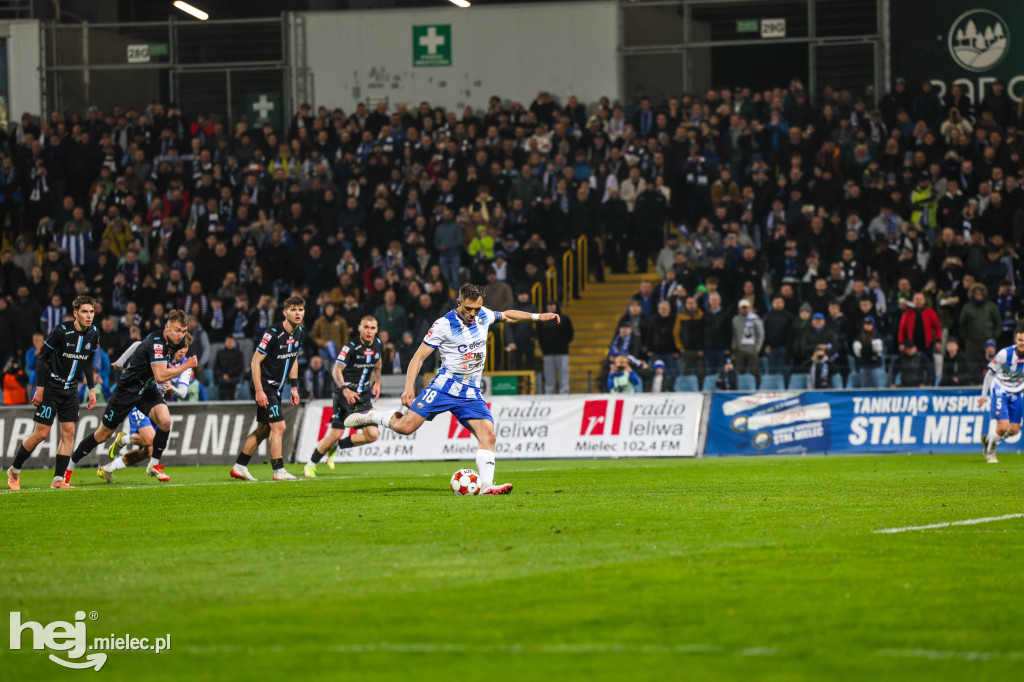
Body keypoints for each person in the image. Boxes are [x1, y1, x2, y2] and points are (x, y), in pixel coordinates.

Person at [343, 283, 561, 495]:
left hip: (470, 394)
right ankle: (375, 416)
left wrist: (537, 317)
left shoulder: (483, 314)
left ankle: (486, 486)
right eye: (468, 309)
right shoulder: (443, 325)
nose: (473, 313)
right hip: (443, 389)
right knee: (404, 427)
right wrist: (408, 388)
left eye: (476, 308)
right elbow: (417, 358)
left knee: (489, 434)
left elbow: (507, 315)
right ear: (459, 302)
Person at [63, 309, 196, 487]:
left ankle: (153, 466)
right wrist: (185, 366)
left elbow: (137, 345)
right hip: (126, 391)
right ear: (167, 328)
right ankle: (68, 468)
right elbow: (160, 375)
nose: (180, 335)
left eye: (183, 331)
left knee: (165, 421)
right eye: (177, 330)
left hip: (146, 390)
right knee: (102, 435)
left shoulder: (176, 343)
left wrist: (120, 363)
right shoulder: (157, 341)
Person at [7, 296, 99, 491]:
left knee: (69, 433)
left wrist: (91, 388)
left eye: (91, 312)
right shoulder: (61, 331)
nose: (89, 316)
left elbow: (88, 361)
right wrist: (40, 388)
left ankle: (58, 479)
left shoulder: (94, 334)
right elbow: (41, 358)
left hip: (71, 390)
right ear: (76, 313)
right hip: (51, 389)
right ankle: (14, 470)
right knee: (41, 433)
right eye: (84, 311)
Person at [99, 335, 194, 483]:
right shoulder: (161, 353)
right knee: (149, 438)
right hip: (140, 398)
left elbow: (182, 393)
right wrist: (120, 362)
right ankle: (124, 440)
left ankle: (108, 468)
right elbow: (138, 344)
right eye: (181, 346)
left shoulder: (185, 366)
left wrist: (172, 388)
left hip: (155, 403)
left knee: (148, 450)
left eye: (186, 347)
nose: (182, 350)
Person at [231, 296, 306, 482]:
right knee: (279, 426)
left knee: (264, 430)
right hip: (264, 386)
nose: (298, 313)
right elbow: (255, 361)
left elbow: (293, 358)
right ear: (285, 312)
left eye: (301, 309)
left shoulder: (299, 333)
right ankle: (279, 471)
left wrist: (294, 387)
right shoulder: (272, 333)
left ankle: (239, 467)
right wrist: (259, 390)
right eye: (293, 309)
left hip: (278, 389)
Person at [305, 316, 383, 478]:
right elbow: (336, 370)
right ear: (359, 328)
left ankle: (336, 447)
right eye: (366, 327)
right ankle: (310, 465)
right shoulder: (351, 347)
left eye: (373, 328)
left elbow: (378, 362)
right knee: (335, 433)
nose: (369, 331)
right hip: (344, 396)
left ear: (377, 329)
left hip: (362, 397)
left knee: (372, 435)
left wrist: (377, 382)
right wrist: (345, 389)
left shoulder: (378, 345)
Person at [979, 322, 1024, 464]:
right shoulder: (1005, 354)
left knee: (1013, 431)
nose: (1023, 343)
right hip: (1000, 390)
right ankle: (990, 452)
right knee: (1003, 427)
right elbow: (989, 374)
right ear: (1016, 340)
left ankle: (988, 439)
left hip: (1017, 393)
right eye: (1021, 340)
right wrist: (983, 395)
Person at [537, 300, 573, 394]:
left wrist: (563, 344)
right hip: (548, 353)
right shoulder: (542, 321)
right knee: (549, 376)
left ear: (556, 306)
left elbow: (570, 334)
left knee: (564, 375)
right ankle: (549, 395)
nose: (551, 307)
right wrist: (544, 348)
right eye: (549, 305)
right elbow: (539, 336)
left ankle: (564, 394)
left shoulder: (564, 318)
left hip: (562, 352)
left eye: (553, 305)